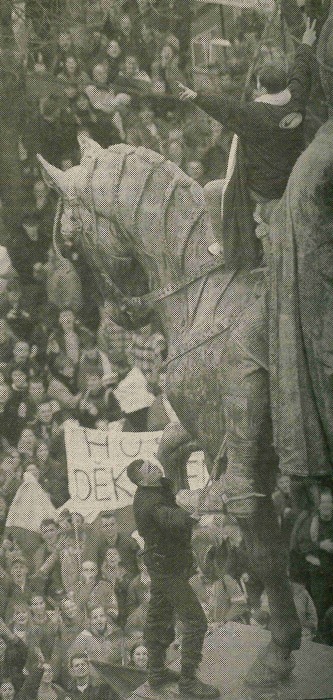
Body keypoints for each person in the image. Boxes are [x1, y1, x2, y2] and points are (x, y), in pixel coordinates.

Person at [178, 19, 317, 269]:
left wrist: (196, 96)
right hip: (293, 181)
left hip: (265, 190)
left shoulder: (253, 114)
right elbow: (302, 71)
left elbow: (224, 108)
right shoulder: (296, 98)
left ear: (260, 86)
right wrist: (306, 44)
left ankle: (225, 248)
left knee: (211, 190)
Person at [127, 458, 219, 698]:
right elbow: (167, 517)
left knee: (158, 618)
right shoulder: (148, 502)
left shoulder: (157, 489)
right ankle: (188, 682)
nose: (155, 466)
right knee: (197, 621)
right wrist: (190, 517)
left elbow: (171, 505)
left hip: (164, 565)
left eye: (152, 463)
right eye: (149, 469)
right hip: (166, 570)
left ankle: (156, 673)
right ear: (141, 480)